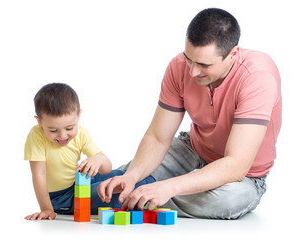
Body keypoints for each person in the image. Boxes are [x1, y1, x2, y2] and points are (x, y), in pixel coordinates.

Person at [97, 8, 282, 220]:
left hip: (244, 176)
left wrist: (169, 187)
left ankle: (142, 198)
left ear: (233, 54)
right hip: (192, 150)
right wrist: (133, 175)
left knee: (228, 200)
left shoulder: (258, 76)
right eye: (189, 59)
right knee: (123, 180)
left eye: (204, 65)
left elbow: (236, 165)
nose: (193, 72)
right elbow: (158, 137)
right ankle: (76, 192)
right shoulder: (178, 66)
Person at [24, 83, 155, 220]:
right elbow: (39, 174)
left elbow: (106, 168)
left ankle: (127, 189)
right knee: (124, 190)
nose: (62, 136)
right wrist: (46, 209)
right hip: (63, 197)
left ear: (78, 115)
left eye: (69, 128)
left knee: (137, 177)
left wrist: (98, 160)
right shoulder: (36, 135)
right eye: (53, 130)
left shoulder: (81, 133)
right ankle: (122, 194)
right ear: (39, 122)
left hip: (82, 180)